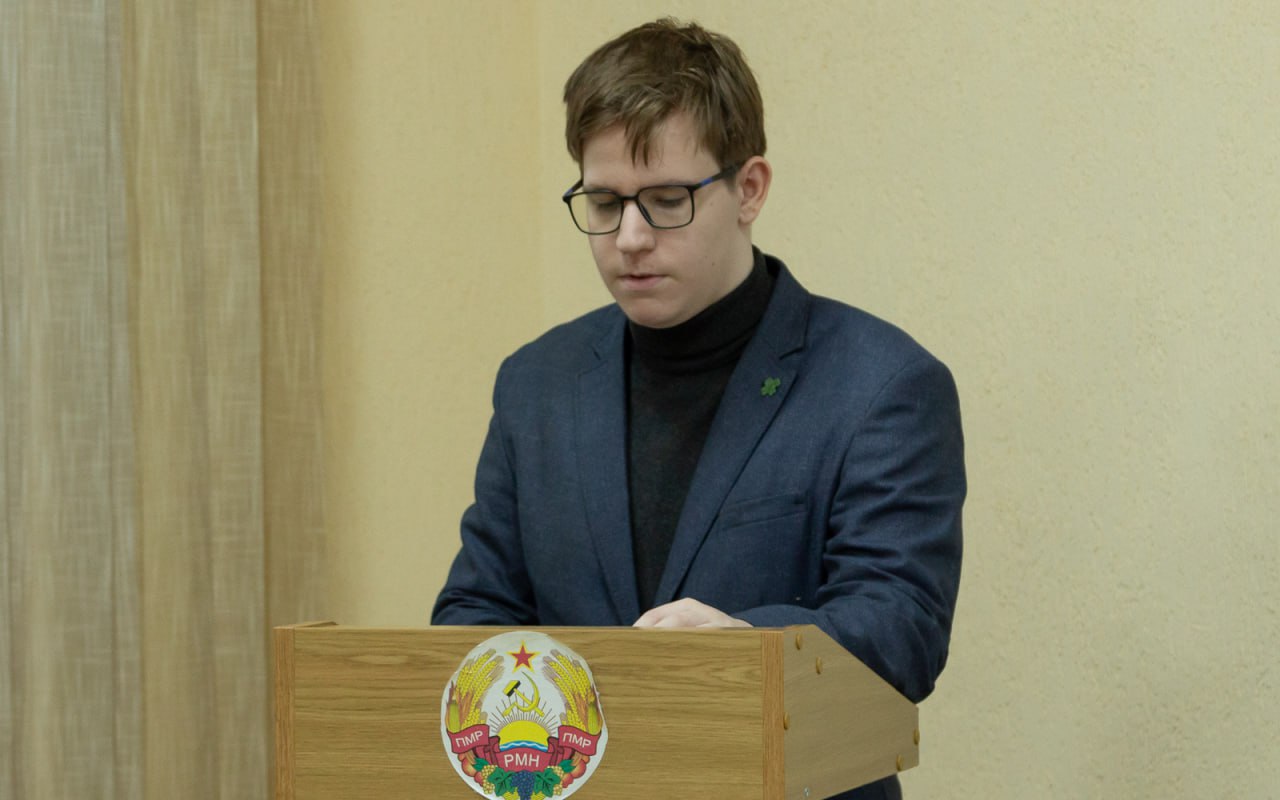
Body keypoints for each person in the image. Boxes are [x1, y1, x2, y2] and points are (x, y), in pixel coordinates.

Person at [432, 18, 964, 800]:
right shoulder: (536, 383)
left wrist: (748, 645)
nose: (630, 238)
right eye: (604, 202)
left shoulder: (881, 383)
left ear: (749, 190)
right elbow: (478, 610)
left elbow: (902, 624)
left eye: (666, 200)